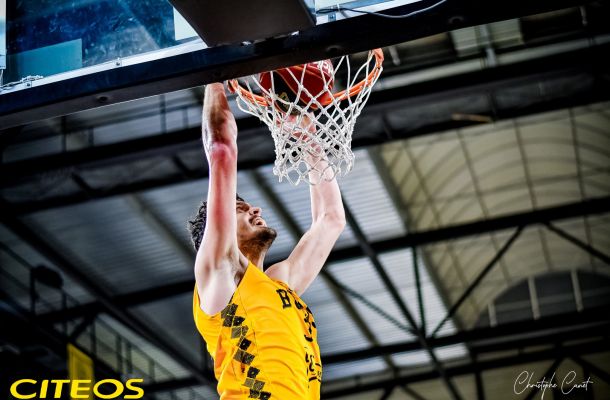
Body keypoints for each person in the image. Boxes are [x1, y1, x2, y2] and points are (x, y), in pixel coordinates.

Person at [188, 83, 345, 399]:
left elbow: (331, 219)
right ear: (217, 231)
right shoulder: (221, 277)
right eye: (240, 209)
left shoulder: (278, 284)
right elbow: (221, 149)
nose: (255, 209)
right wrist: (215, 79)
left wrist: (308, 137)